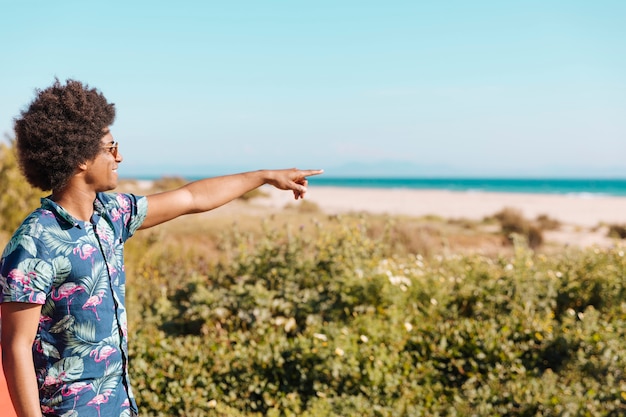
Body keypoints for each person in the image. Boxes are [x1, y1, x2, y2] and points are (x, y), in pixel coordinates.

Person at [0, 79, 323, 417]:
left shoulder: (111, 215)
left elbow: (192, 198)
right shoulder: (35, 240)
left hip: (120, 406)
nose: (119, 156)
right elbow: (15, 346)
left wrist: (265, 176)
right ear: (81, 158)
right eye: (110, 148)